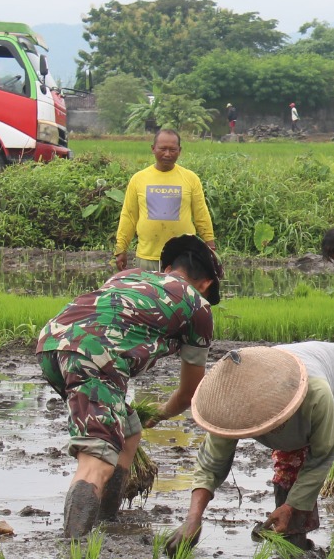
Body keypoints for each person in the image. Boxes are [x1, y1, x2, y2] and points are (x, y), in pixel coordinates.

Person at [39, 234, 221, 538]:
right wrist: (161, 414)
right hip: (97, 355)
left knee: (128, 430)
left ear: (166, 268)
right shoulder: (198, 306)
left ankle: (106, 520)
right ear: (205, 285)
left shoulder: (127, 275)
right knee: (96, 458)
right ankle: (73, 553)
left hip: (52, 345)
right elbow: (191, 392)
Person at [166, 343, 334, 552]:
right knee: (288, 475)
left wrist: (293, 505)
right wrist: (193, 518)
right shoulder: (233, 403)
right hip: (293, 411)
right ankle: (294, 551)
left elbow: (321, 456)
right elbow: (211, 464)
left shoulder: (314, 393)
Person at [113, 128, 217, 273]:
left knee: (180, 296)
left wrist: (211, 247)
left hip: (183, 257)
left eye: (172, 150)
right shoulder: (139, 179)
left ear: (179, 150)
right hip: (147, 257)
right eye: (162, 149)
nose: (167, 154)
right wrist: (121, 248)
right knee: (149, 295)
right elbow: (129, 216)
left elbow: (201, 214)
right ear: (153, 149)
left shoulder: (191, 179)